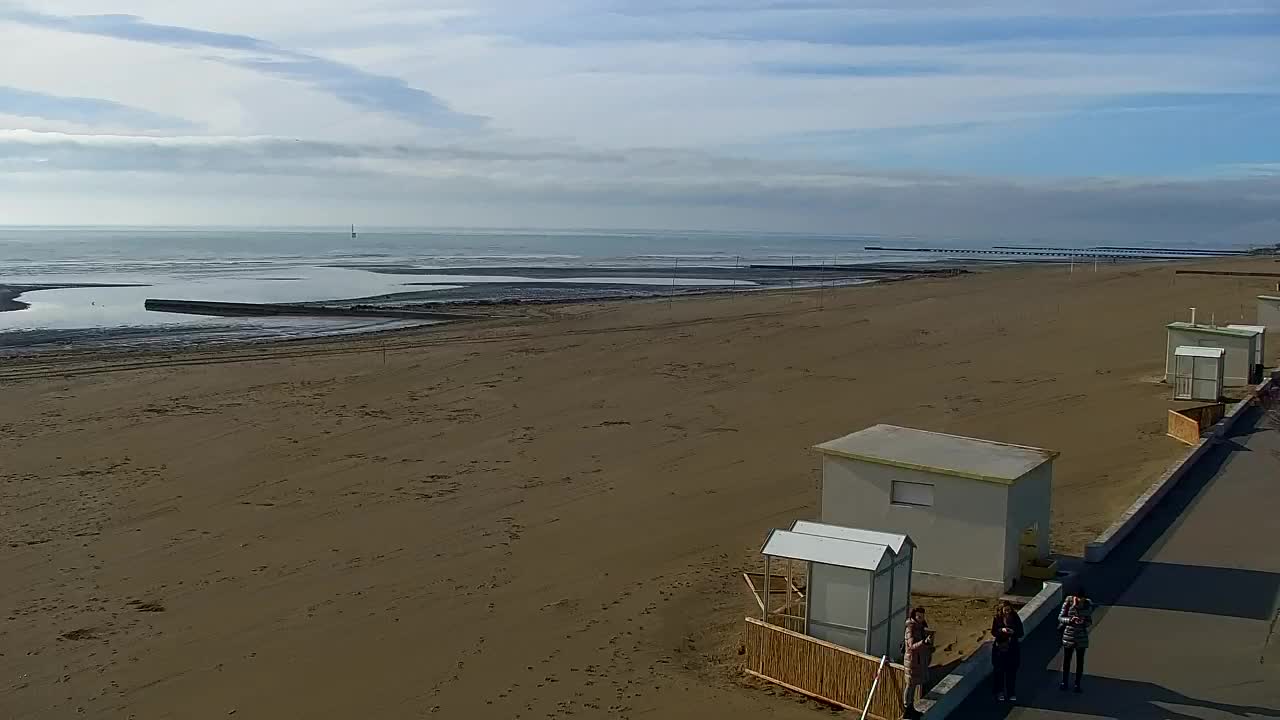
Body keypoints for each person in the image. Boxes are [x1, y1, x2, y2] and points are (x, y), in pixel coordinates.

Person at [1059, 587, 1093, 692]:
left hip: (1081, 636)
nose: (1080, 601)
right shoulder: (1068, 602)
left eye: (1082, 599)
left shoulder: (1088, 604)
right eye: (1078, 598)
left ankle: (1077, 684)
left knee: (1080, 661)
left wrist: (1083, 622)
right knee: (1066, 660)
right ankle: (1064, 682)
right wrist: (1070, 620)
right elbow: (1060, 617)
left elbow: (1089, 621)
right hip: (1069, 634)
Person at [902, 606, 933, 719]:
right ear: (914, 616)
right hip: (912, 661)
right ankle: (907, 708)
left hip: (917, 660)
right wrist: (924, 642)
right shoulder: (911, 628)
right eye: (919, 616)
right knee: (910, 685)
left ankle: (911, 708)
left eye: (922, 616)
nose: (921, 618)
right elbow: (911, 646)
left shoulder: (919, 627)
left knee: (913, 684)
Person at [990, 601, 1024, 702]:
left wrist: (1013, 632)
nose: (1007, 612)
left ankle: (1011, 693)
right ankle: (1000, 692)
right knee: (999, 672)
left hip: (1012, 649)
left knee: (1011, 673)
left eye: (1009, 610)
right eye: (1005, 610)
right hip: (1000, 650)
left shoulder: (1015, 617)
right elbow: (994, 632)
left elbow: (1021, 632)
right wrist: (1001, 631)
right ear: (1001, 610)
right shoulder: (997, 618)